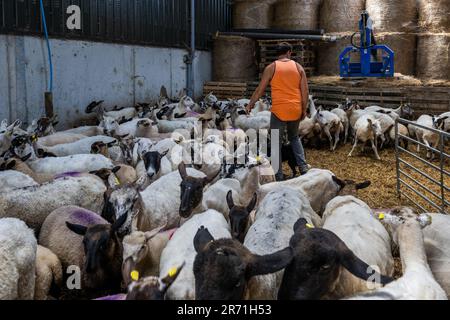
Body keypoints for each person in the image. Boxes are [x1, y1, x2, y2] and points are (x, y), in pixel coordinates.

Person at [246, 42, 309, 181]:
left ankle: (278, 174)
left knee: (275, 141)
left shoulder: (271, 67)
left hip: (279, 110)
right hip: (295, 109)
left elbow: (260, 90)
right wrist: (304, 109)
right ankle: (304, 168)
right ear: (289, 53)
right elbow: (305, 91)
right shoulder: (298, 67)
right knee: (294, 137)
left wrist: (251, 104)